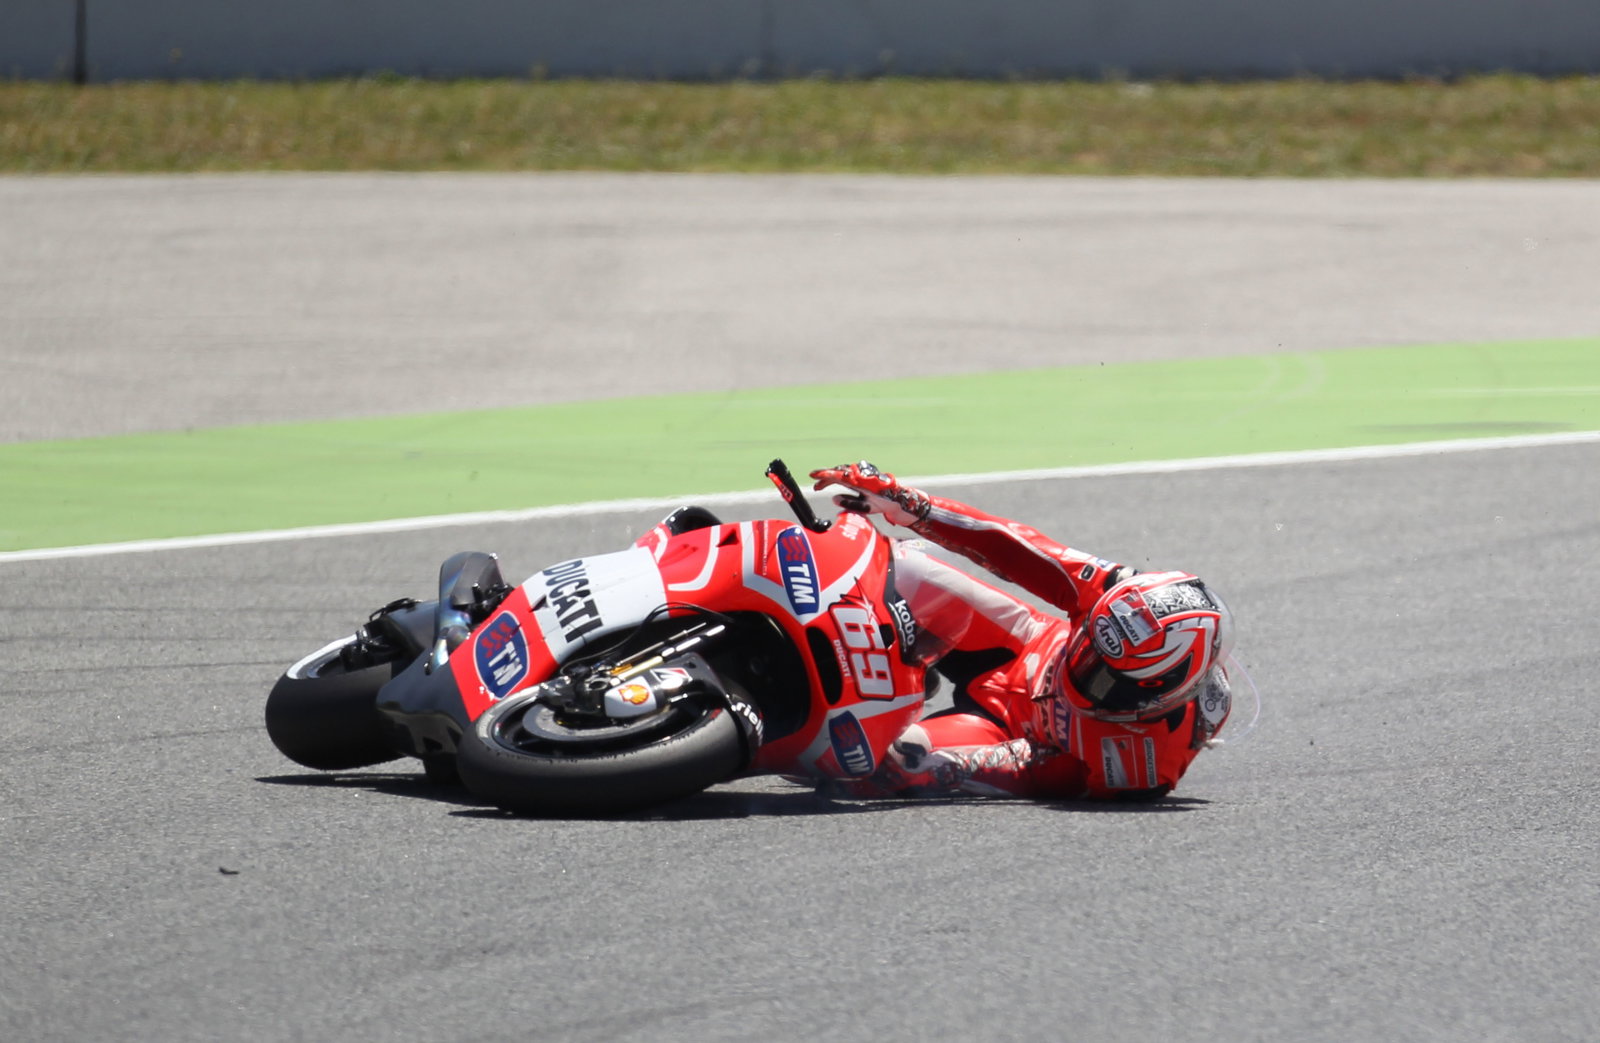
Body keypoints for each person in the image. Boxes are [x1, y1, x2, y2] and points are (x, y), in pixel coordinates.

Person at [806, 461, 1237, 801]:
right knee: (898, 566)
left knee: (885, 762)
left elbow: (1038, 774)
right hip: (1021, 643)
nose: (1083, 666)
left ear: (1157, 696)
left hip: (1013, 732)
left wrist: (970, 764)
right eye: (1089, 647)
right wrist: (905, 503)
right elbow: (1011, 547)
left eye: (1102, 676)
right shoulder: (1113, 590)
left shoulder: (1144, 766)